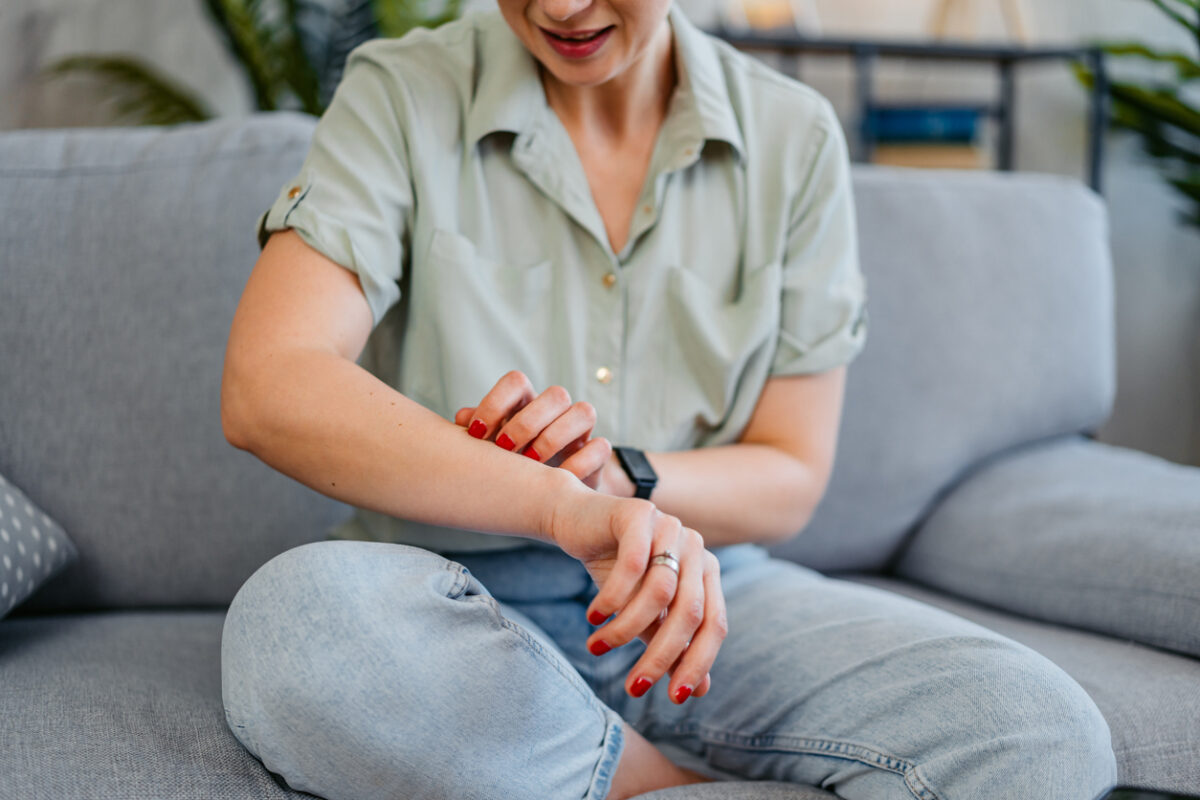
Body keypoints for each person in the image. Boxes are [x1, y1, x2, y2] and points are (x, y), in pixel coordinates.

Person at [218, 2, 1119, 799]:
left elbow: (791, 476)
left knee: (1038, 734)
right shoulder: (400, 93)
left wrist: (624, 477)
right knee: (295, 627)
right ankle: (653, 782)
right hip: (443, 599)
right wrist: (564, 508)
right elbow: (268, 386)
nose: (561, 8)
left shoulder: (791, 136)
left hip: (710, 598)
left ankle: (546, 767)